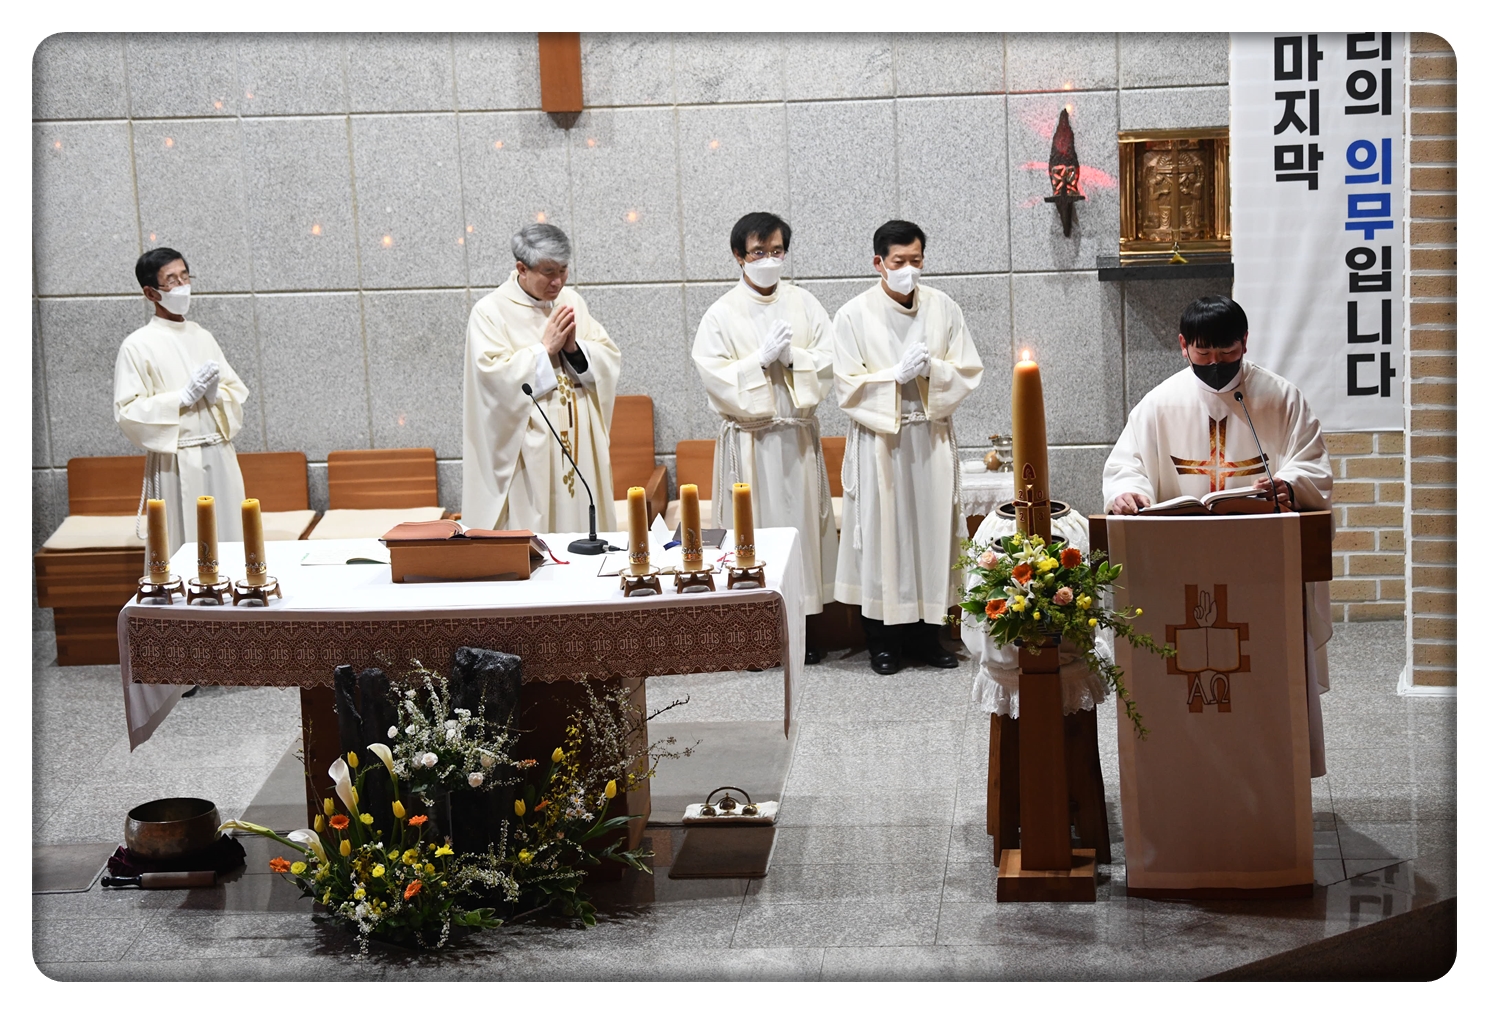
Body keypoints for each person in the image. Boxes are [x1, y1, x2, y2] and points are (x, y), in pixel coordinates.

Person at [1102, 293, 1333, 775]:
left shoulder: (1280, 398)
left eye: (1227, 352)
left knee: (1266, 666)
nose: (1215, 363)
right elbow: (1127, 465)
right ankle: (1182, 765)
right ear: (1182, 345)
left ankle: (1276, 768)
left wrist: (1289, 485)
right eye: (1203, 352)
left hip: (1264, 563)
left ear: (1245, 342)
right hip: (1177, 566)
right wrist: (1127, 493)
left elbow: (1311, 463)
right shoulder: (1159, 404)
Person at [832, 220, 985, 675]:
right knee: (886, 538)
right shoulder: (853, 315)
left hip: (929, 438)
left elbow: (968, 370)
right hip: (881, 443)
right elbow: (846, 387)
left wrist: (932, 371)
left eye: (916, 261)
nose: (908, 270)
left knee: (931, 536)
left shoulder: (943, 307)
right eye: (899, 262)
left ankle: (928, 637)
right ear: (878, 263)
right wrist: (892, 379)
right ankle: (883, 642)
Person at [692, 212, 838, 662]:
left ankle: (802, 630)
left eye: (777, 251)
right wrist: (758, 361)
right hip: (749, 444)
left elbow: (830, 359)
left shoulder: (805, 304)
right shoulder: (721, 313)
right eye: (759, 252)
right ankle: (755, 635)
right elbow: (712, 374)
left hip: (795, 441)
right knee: (751, 535)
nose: (769, 259)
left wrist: (793, 359)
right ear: (739, 256)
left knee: (799, 532)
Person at [462, 224, 622, 532]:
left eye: (563, 270)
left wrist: (575, 350)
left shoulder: (572, 302)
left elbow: (608, 358)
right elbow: (492, 381)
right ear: (522, 268)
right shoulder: (490, 312)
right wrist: (544, 350)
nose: (558, 281)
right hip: (528, 453)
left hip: (579, 445)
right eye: (548, 272)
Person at [115, 247, 250, 556]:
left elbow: (234, 391)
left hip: (219, 454)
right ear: (151, 292)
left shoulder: (202, 336)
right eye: (172, 280)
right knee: (183, 543)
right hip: (176, 461)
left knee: (229, 537)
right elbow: (128, 411)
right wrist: (181, 398)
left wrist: (216, 395)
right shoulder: (137, 345)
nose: (182, 286)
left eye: (185, 277)